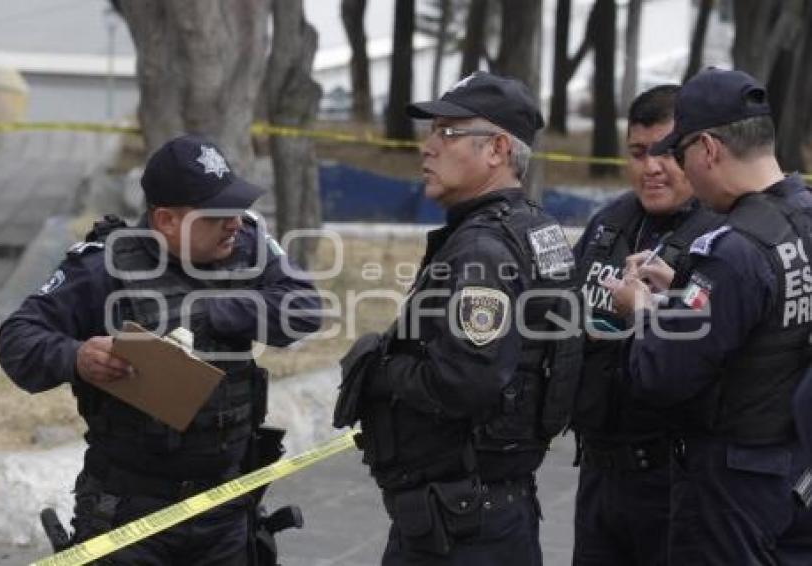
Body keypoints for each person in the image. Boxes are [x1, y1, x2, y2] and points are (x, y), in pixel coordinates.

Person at [0, 135, 322, 565]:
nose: (235, 223)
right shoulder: (101, 267)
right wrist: (76, 357)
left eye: (237, 208)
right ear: (167, 219)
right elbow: (17, 340)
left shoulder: (247, 246)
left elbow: (305, 309)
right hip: (130, 513)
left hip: (226, 507)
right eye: (218, 214)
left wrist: (212, 310)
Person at [334, 71, 582, 565]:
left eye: (447, 133)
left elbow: (466, 379)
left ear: (496, 150)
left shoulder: (482, 250)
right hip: (493, 505)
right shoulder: (536, 229)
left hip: (460, 525)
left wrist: (381, 370)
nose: (427, 147)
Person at [607, 68, 812, 565]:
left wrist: (643, 311)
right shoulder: (803, 216)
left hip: (732, 483)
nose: (683, 172)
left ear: (709, 150)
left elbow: (660, 373)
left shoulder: (732, 250)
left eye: (679, 154)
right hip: (793, 467)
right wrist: (682, 292)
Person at [571, 85, 723, 566]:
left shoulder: (723, 237)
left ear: (697, 152)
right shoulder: (607, 224)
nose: (651, 168)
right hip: (598, 474)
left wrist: (655, 308)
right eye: (638, 153)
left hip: (677, 479)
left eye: (665, 153)